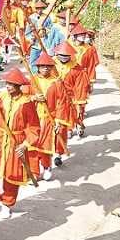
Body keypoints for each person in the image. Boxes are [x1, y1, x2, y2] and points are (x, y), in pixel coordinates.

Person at [0, 68, 40, 219]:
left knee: (11, 176)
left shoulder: (26, 103)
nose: (7, 86)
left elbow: (34, 126)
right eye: (7, 83)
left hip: (16, 141)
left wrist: (24, 145)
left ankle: (7, 204)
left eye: (11, 84)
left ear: (18, 86)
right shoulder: (0, 96)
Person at [30, 52, 73, 180]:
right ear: (38, 67)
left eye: (48, 66)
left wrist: (59, 121)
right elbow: (23, 97)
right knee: (32, 145)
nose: (45, 68)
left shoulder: (56, 83)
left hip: (49, 118)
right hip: (33, 119)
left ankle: (46, 166)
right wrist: (34, 97)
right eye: (42, 65)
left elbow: (62, 103)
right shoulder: (32, 81)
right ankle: (34, 171)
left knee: (45, 145)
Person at [53, 40, 89, 140]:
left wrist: (78, 103)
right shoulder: (51, 64)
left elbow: (80, 87)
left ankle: (75, 126)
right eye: (61, 54)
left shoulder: (77, 68)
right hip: (55, 94)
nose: (63, 56)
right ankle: (65, 129)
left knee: (75, 112)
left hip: (71, 94)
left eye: (66, 55)